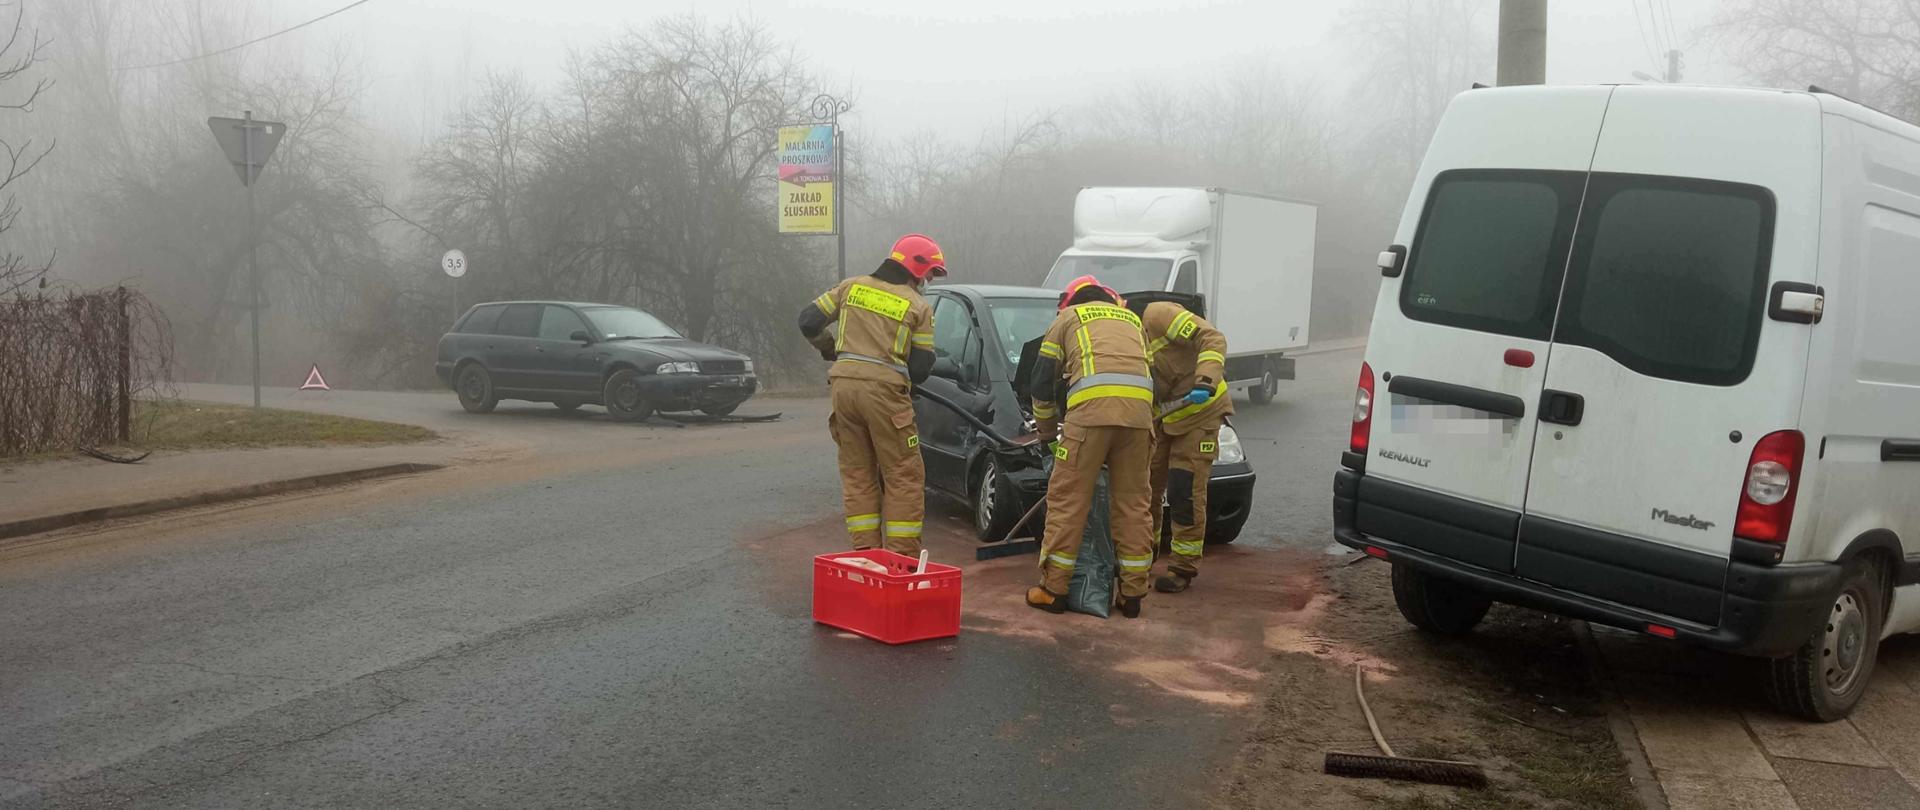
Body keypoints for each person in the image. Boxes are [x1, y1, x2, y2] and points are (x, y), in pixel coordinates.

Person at [797, 234, 944, 554]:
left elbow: (808, 321)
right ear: (917, 268)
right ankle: (900, 561)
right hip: (885, 396)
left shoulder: (851, 287)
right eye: (930, 273)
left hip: (843, 391)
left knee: (858, 474)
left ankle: (866, 557)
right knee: (903, 475)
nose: (929, 281)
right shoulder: (918, 306)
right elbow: (920, 368)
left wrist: (830, 348)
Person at [1025, 275, 1156, 619]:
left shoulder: (1068, 318)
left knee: (1068, 500)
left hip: (1090, 419)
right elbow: (1148, 374)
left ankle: (1053, 590)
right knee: (1133, 504)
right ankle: (1132, 594)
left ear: (1071, 302)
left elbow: (1041, 383)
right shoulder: (1133, 321)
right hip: (1138, 421)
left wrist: (1046, 435)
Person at [1133, 298, 1231, 594]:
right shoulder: (1124, 339)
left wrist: (1205, 380)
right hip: (1164, 417)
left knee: (1183, 487)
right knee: (1144, 486)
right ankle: (1140, 558)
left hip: (1201, 410)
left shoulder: (1158, 315)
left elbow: (1211, 338)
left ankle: (1182, 568)